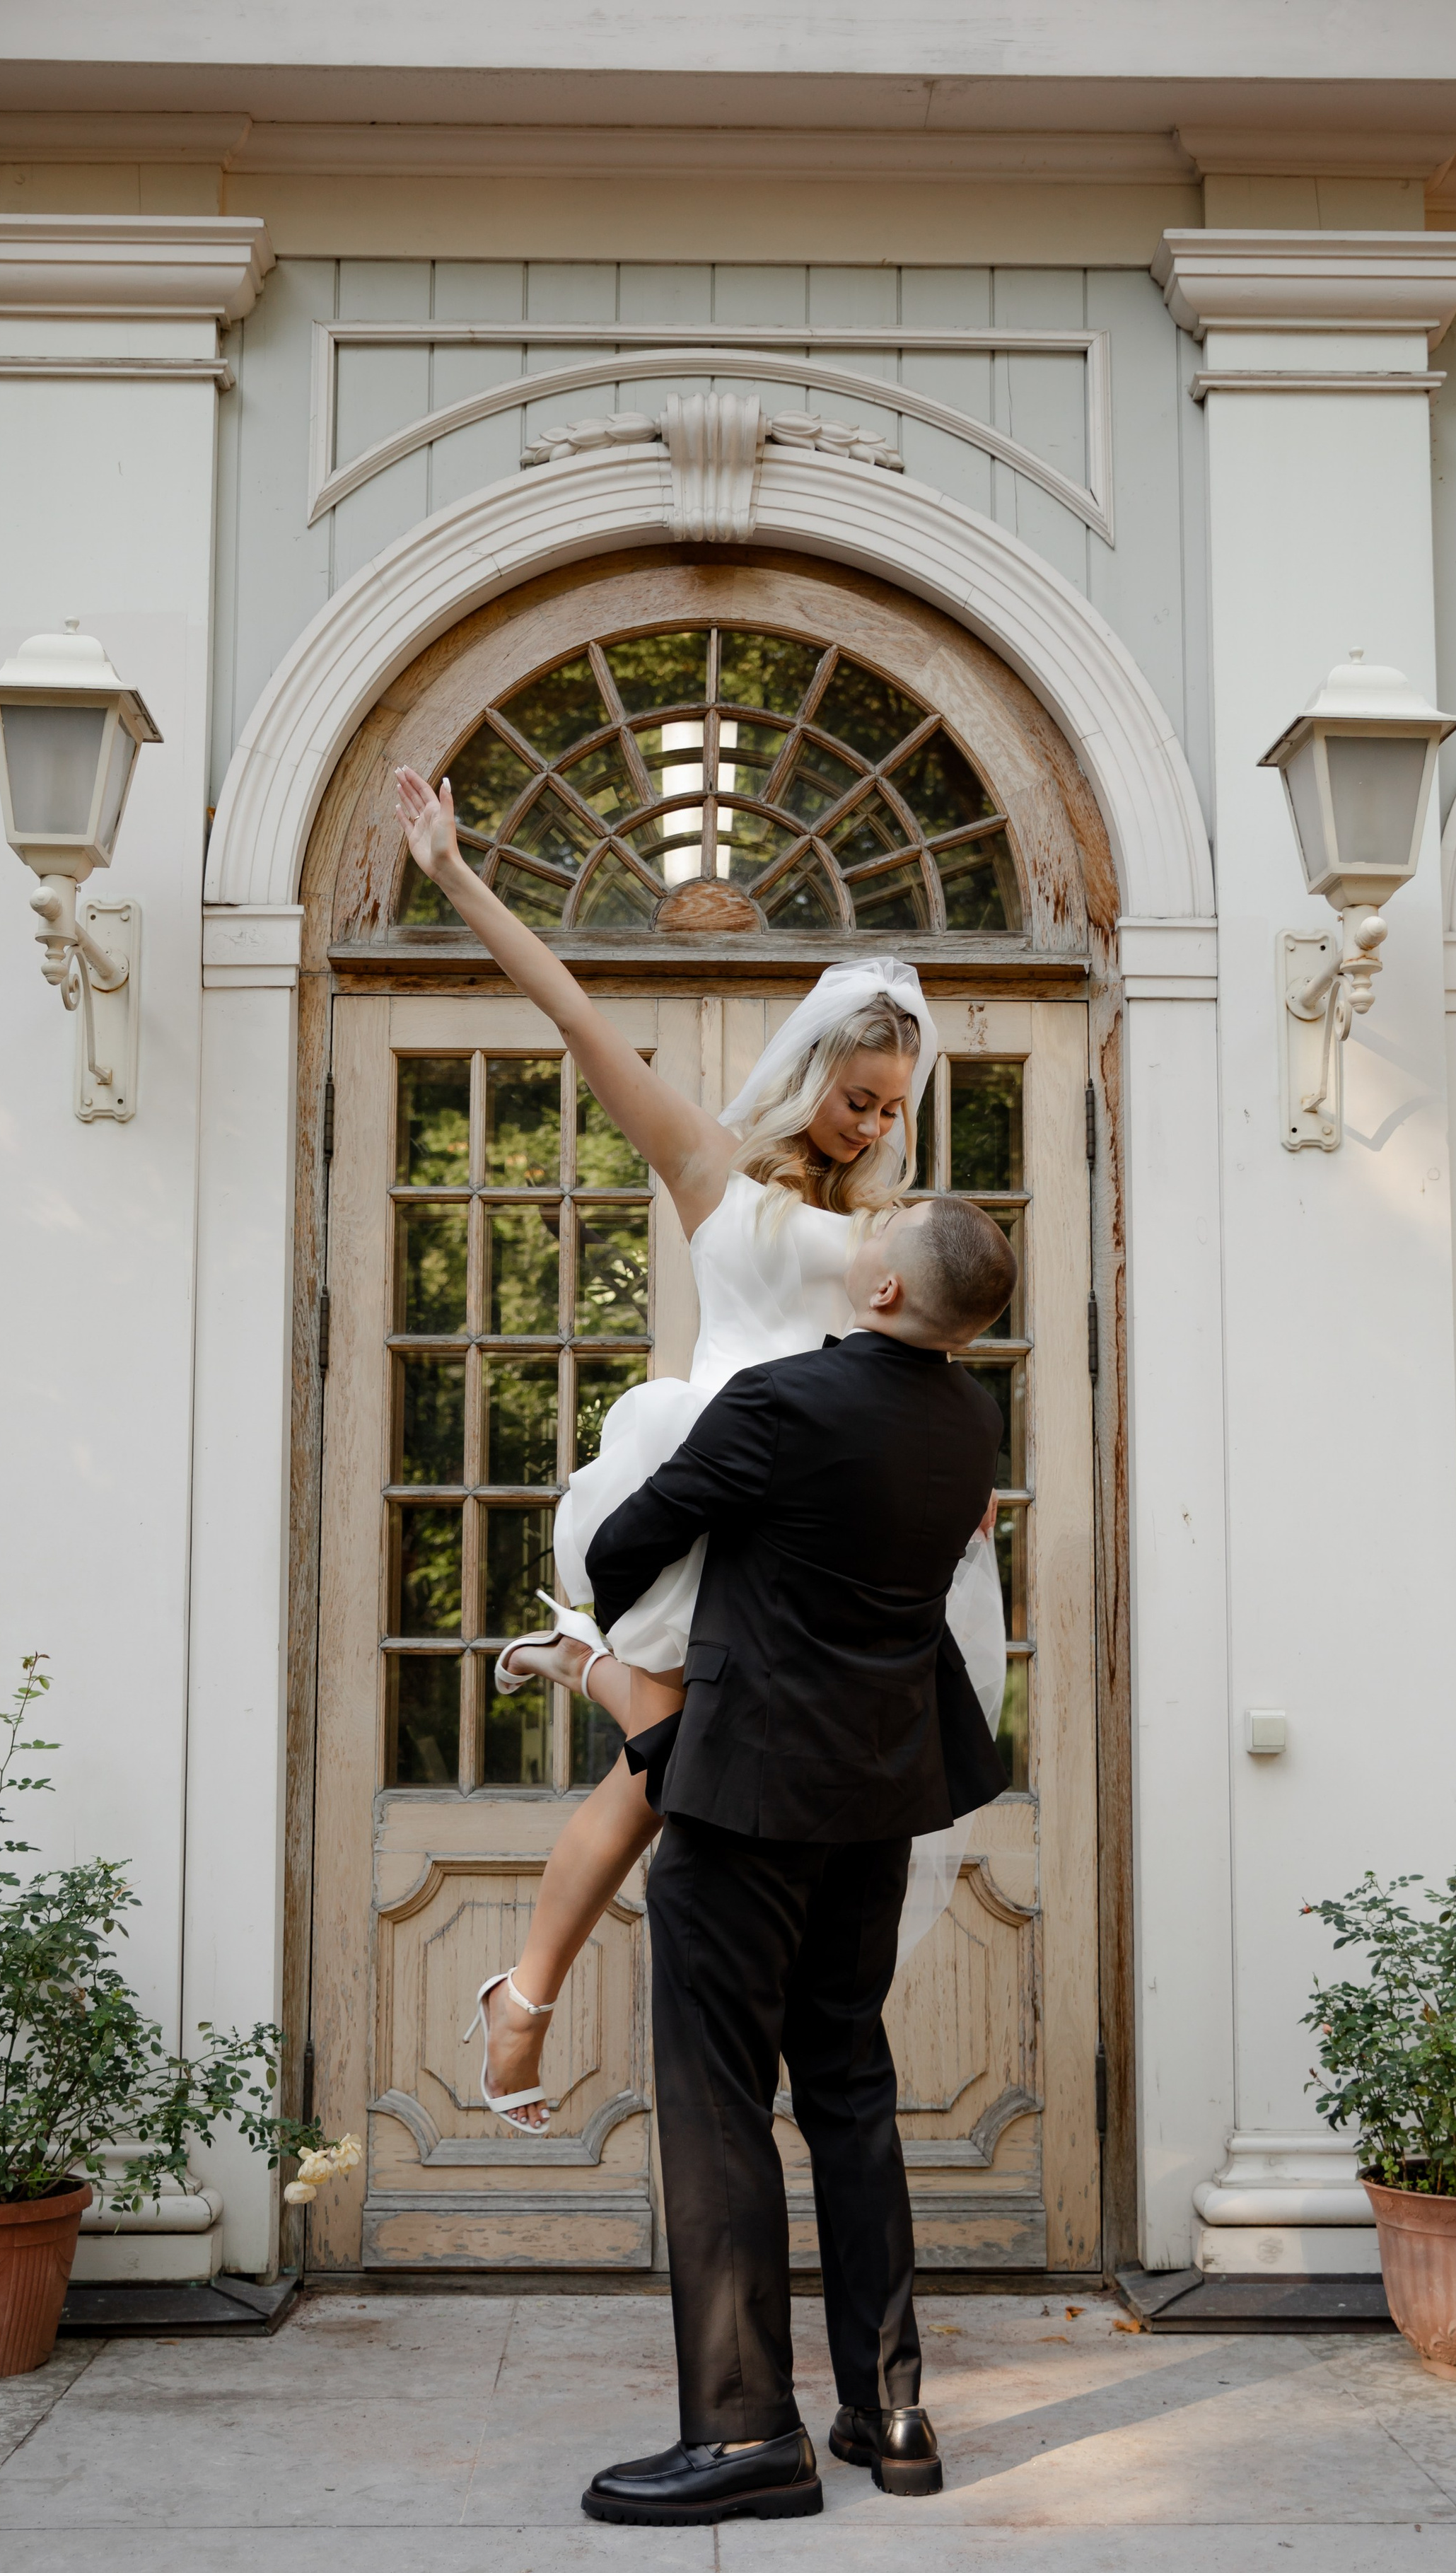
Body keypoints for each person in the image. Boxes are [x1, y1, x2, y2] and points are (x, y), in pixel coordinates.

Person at [395, 766, 1006, 2133]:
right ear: (810, 1073)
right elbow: (577, 1017)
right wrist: (453, 873)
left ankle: (528, 1965)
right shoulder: (711, 1173)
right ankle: (535, 1962)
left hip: (819, 1533)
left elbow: (925, 1367)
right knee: (671, 1763)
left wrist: (963, 1491)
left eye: (895, 1106)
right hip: (715, 1487)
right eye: (860, 1096)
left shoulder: (892, 1239)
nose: (876, 1125)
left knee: (671, 1768)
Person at [578, 1193, 1017, 2523]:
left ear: (884, 1292)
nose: (857, 1242)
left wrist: (632, 1652)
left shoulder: (778, 1403)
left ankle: (743, 2437)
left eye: (879, 1237)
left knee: (718, 2104)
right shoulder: (972, 1423)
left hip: (746, 1800)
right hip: (878, 1801)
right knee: (850, 2091)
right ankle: (891, 2412)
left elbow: (622, 1541)